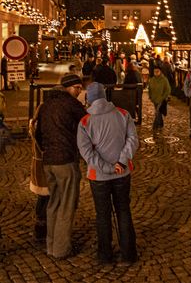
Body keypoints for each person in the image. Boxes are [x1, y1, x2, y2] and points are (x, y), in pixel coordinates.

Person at [77, 83, 138, 264]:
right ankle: (129, 253)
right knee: (123, 211)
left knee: (102, 214)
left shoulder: (85, 122)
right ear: (105, 95)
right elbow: (133, 140)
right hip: (122, 172)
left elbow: (87, 153)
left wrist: (106, 167)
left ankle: (105, 254)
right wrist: (121, 161)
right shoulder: (123, 114)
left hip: (99, 176)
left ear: (89, 99)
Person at [34, 73, 88, 258]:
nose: (79, 91)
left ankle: (51, 245)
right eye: (77, 88)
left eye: (81, 88)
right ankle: (61, 249)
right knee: (66, 205)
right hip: (65, 161)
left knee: (53, 204)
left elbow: (38, 133)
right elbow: (88, 124)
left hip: (48, 161)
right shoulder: (71, 104)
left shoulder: (46, 104)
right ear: (67, 87)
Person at [28, 112, 49, 242]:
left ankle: (40, 227)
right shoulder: (40, 130)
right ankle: (41, 229)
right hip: (43, 166)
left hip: (38, 166)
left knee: (42, 197)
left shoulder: (34, 125)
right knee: (46, 197)